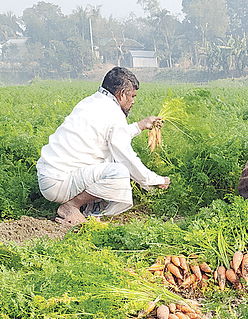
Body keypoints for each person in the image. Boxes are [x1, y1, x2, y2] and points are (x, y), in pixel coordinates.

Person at [36, 66, 170, 226]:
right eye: (132, 96)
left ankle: (83, 208)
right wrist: (154, 180)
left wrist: (140, 125)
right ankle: (72, 206)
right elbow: (126, 157)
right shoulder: (114, 114)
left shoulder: (92, 102)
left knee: (108, 160)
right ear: (122, 94)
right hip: (60, 183)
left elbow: (110, 136)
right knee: (119, 171)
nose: (133, 101)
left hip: (50, 178)